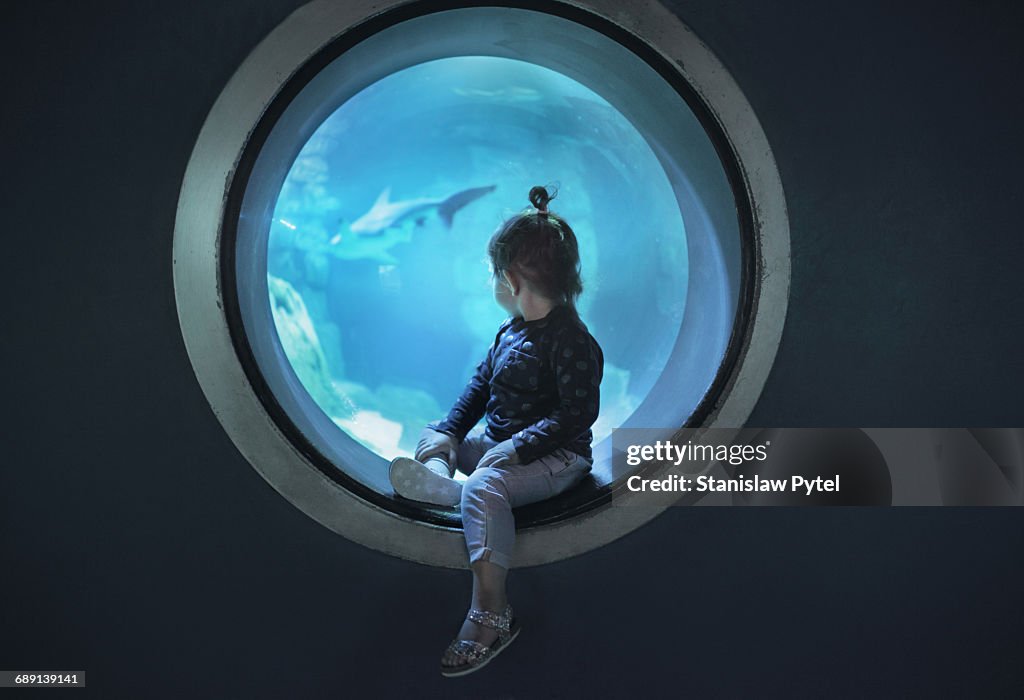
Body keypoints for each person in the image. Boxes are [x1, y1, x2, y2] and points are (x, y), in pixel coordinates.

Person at [388, 185, 604, 677]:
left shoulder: (571, 339)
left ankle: (491, 614)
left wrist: (516, 447)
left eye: (493, 273)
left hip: (558, 459)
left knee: (484, 484)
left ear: (509, 278)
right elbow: (480, 385)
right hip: (503, 449)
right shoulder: (510, 330)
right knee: (437, 440)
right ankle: (450, 489)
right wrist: (448, 432)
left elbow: (577, 413)